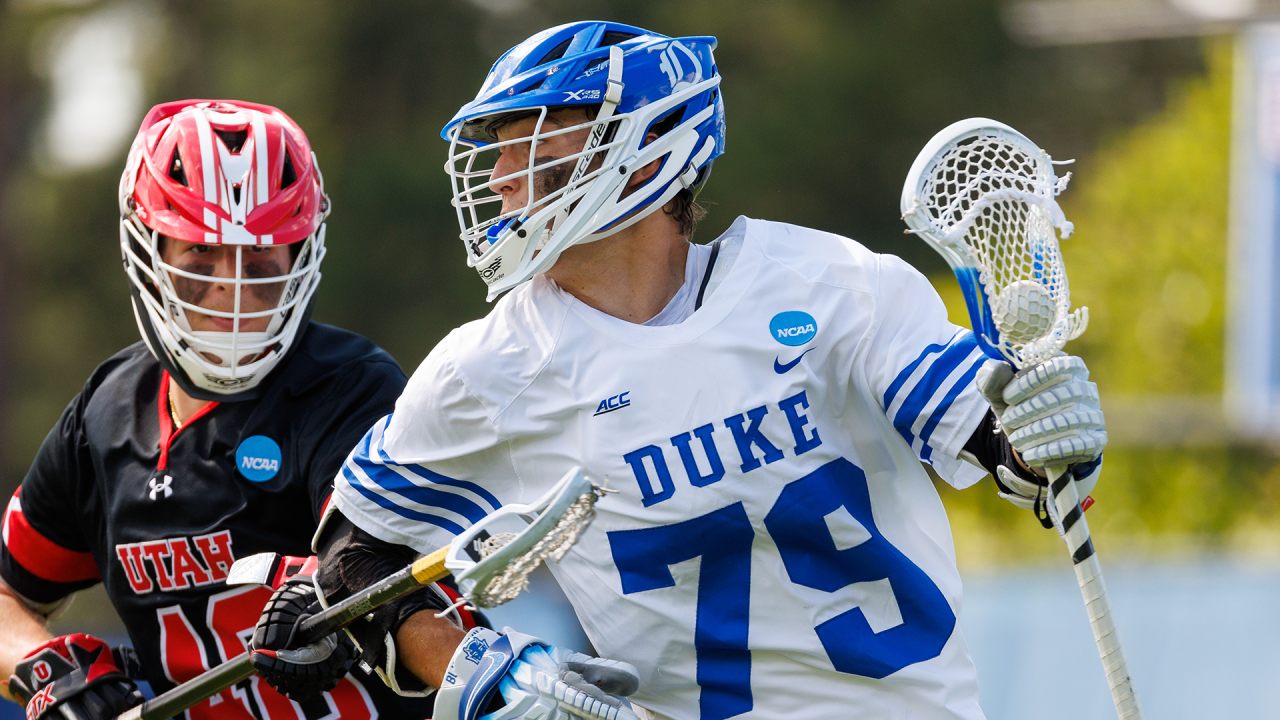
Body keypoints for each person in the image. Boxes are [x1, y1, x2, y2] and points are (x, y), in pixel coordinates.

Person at [254, 22, 1107, 720]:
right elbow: (353, 554)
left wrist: (1049, 433)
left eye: (537, 146)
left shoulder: (831, 287)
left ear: (648, 148)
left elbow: (1006, 446)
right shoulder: (490, 368)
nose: (506, 180)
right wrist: (483, 671)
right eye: (503, 153)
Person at [0, 99, 473, 720]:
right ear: (149, 249)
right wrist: (48, 670)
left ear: (300, 254)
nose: (232, 288)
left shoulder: (347, 388)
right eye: (202, 254)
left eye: (260, 260)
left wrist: (349, 606)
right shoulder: (105, 413)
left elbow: (396, 588)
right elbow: (9, 595)